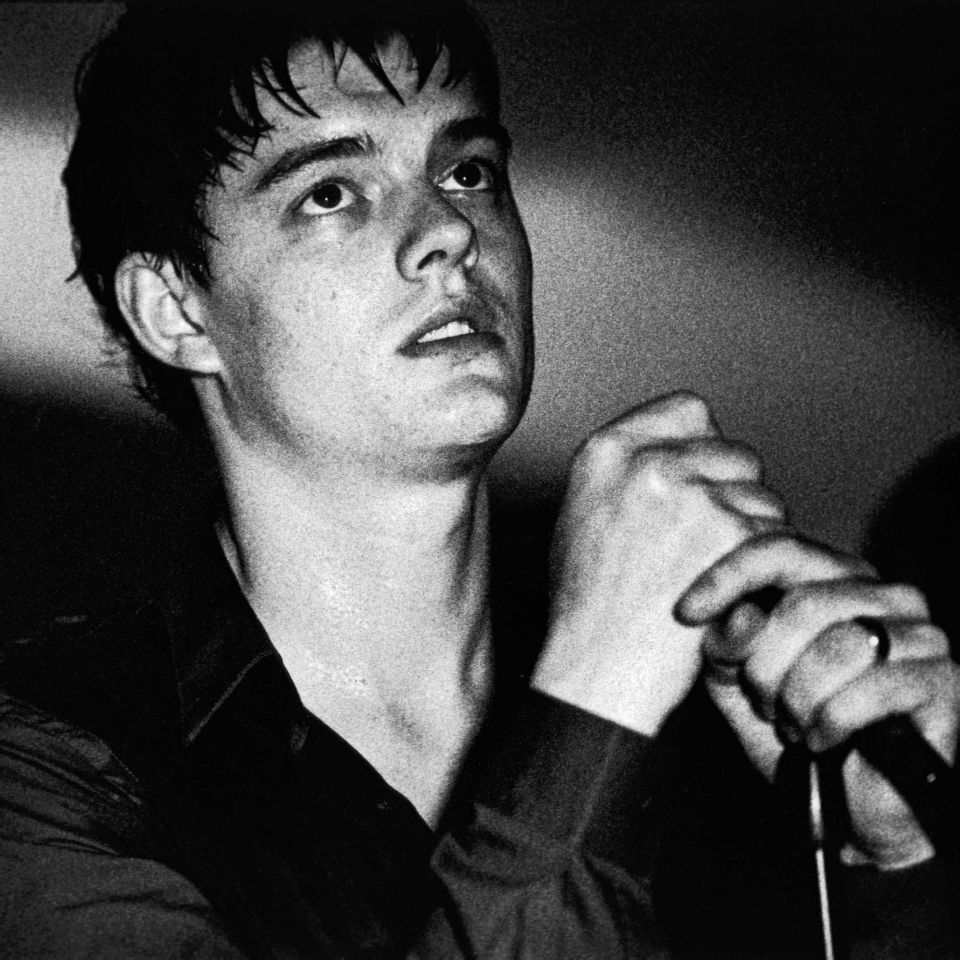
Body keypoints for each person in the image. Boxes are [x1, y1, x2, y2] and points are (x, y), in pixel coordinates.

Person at [0, 1, 957, 956]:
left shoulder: (717, 726)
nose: (449, 231)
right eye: (331, 194)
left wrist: (897, 872)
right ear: (175, 310)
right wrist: (599, 693)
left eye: (467, 172)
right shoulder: (48, 773)